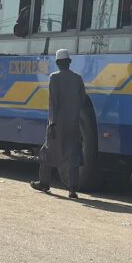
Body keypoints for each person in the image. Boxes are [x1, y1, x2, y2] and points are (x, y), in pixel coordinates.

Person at [31, 48, 87, 198]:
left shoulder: (54, 78)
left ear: (57, 63)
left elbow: (53, 102)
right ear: (69, 62)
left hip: (57, 124)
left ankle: (44, 183)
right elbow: (82, 99)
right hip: (74, 124)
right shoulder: (78, 78)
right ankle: (72, 189)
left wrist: (52, 123)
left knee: (47, 152)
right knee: (72, 154)